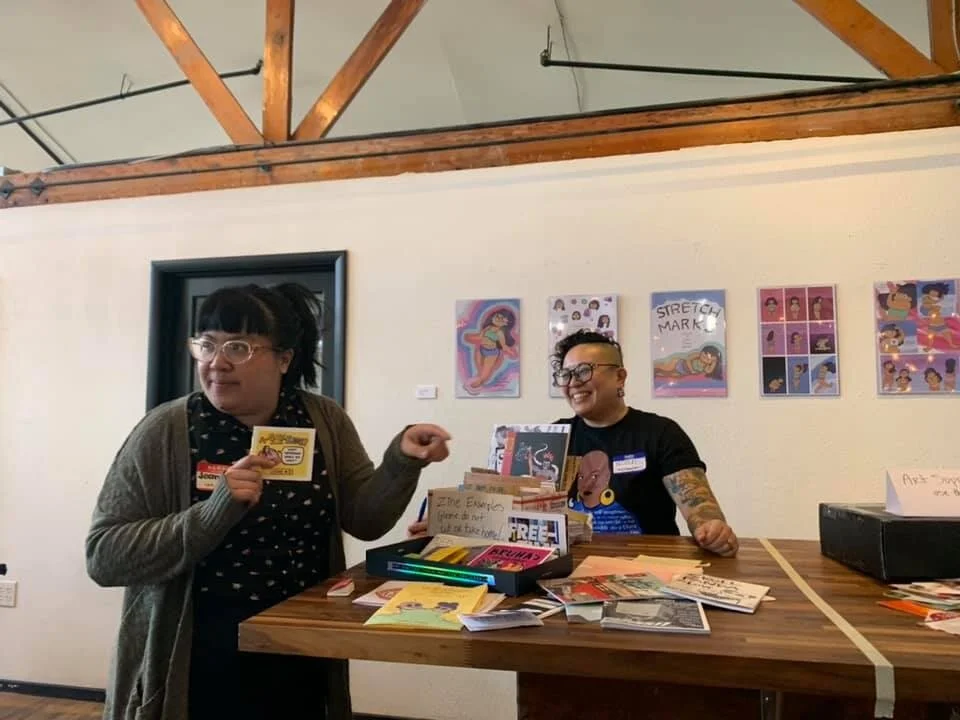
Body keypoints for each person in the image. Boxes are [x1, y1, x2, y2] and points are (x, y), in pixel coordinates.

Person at [86, 282, 451, 720]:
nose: (217, 363)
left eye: (237, 347)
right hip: (197, 657)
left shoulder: (323, 419)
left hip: (303, 649)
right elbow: (104, 556)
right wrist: (211, 513)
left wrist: (402, 460)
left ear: (284, 358)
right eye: (207, 345)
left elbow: (365, 519)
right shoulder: (165, 430)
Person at [550, 330, 737, 555]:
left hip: (650, 570)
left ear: (619, 377)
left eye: (583, 371)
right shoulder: (556, 436)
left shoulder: (661, 433)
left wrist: (711, 529)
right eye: (565, 374)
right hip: (572, 571)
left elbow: (700, 506)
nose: (573, 383)